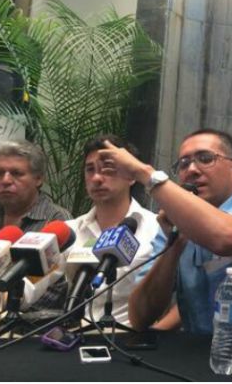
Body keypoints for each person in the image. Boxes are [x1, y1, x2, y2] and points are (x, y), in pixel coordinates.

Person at [97, 128, 232, 337]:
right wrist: (174, 247)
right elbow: (140, 317)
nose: (192, 170)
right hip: (202, 354)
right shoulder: (174, 225)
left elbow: (226, 237)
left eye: (205, 159)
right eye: (183, 164)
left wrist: (146, 174)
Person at [63, 135, 162, 326]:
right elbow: (33, 285)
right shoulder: (69, 231)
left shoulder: (156, 228)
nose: (96, 178)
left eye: (107, 169)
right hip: (76, 335)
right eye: (90, 169)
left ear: (131, 176)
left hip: (133, 335)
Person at [0, 140, 72, 314]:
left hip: (27, 323)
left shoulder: (56, 222)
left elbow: (51, 290)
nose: (5, 180)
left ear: (38, 179)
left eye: (16, 173)